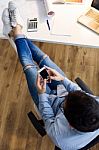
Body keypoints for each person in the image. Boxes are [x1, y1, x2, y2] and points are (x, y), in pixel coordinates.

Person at [2, 1, 99, 150]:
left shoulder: (60, 138)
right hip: (66, 97)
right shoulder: (96, 106)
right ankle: (16, 30)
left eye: (67, 101)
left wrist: (42, 94)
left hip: (49, 103)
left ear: (69, 124)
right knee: (44, 59)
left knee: (29, 66)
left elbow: (47, 116)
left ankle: (15, 30)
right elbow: (78, 92)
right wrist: (63, 80)